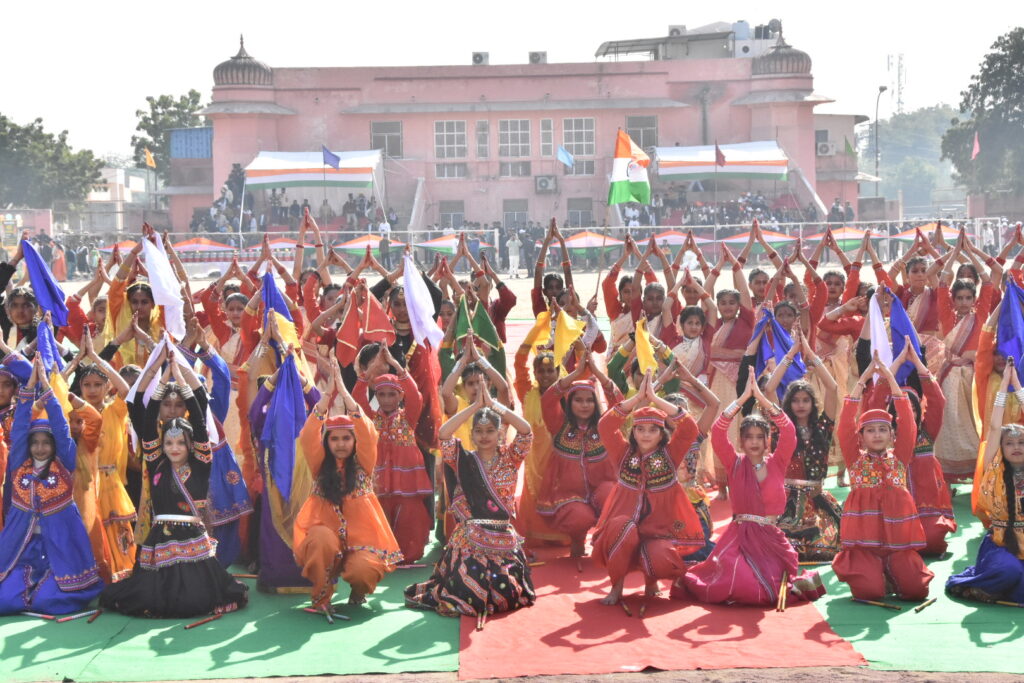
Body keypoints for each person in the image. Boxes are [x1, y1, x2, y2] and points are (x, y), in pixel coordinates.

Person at [100, 346, 248, 617]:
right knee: (147, 598)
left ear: (192, 445)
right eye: (169, 443)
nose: (175, 448)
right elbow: (145, 418)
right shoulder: (156, 461)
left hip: (193, 539)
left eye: (181, 443)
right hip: (159, 539)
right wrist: (160, 375)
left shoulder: (201, 463)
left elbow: (199, 417)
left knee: (192, 601)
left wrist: (179, 374)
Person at [677, 375, 824, 605]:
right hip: (739, 540)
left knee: (766, 589)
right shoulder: (734, 463)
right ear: (741, 441)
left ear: (767, 441)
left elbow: (788, 431)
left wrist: (763, 400)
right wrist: (743, 398)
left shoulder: (777, 462)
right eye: (748, 437)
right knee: (742, 582)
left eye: (759, 437)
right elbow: (718, 432)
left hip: (771, 541)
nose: (754, 442)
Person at [405, 384, 535, 618]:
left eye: (490, 431)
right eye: (479, 431)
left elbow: (526, 431)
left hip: (502, 540)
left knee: (507, 593)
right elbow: (444, 434)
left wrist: (495, 406)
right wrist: (474, 407)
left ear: (500, 433)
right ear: (472, 434)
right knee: (469, 587)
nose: (484, 436)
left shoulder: (510, 459)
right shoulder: (463, 460)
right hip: (470, 538)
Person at [293, 364, 402, 612]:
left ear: (354, 441)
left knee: (363, 570)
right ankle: (321, 599)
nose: (341, 444)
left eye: (346, 438)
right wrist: (327, 395)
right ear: (327, 442)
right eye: (334, 438)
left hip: (362, 539)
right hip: (327, 536)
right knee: (320, 541)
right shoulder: (319, 464)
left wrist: (343, 391)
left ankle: (358, 591)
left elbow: (368, 433)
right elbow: (308, 435)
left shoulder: (364, 463)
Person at [0, 357, 103, 615]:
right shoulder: (19, 464)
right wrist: (28, 389)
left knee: (50, 602)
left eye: (46, 442)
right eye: (35, 443)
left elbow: (60, 426)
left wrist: (47, 388)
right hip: (24, 550)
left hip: (59, 550)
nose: (40, 448)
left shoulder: (63, 462)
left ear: (55, 444)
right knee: (4, 601)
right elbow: (20, 428)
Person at [592, 372, 706, 607]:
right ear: (633, 432)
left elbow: (689, 429)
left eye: (652, 430)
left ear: (662, 434)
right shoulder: (622, 453)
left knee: (663, 559)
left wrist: (655, 398)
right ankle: (616, 586)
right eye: (640, 429)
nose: (645, 435)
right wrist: (636, 400)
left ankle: (651, 581)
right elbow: (605, 426)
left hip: (657, 530)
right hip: (623, 526)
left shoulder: (670, 455)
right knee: (623, 529)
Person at [832, 354, 933, 601]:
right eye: (870, 430)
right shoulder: (855, 461)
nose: (877, 435)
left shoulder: (899, 457)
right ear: (861, 436)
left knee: (917, 590)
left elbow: (908, 422)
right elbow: (845, 425)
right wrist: (863, 379)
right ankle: (876, 575)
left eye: (882, 430)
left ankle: (891, 572)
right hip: (865, 546)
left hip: (898, 545)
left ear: (891, 435)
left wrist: (890, 378)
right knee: (870, 592)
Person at [947, 361, 1024, 603]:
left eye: (1021, 442)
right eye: (1009, 443)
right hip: (1001, 544)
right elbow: (993, 427)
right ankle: (989, 583)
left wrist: (1017, 385)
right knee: (1009, 570)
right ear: (1001, 448)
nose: (1016, 447)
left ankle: (1000, 589)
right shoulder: (994, 467)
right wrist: (1003, 386)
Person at [537, 348, 621, 561]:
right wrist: (575, 374)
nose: (584, 405)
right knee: (579, 517)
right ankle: (577, 539)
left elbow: (619, 404)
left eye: (589, 401)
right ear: (570, 402)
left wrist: (598, 373)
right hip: (569, 494)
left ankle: (604, 538)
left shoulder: (604, 426)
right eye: (578, 400)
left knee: (611, 497)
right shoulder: (559, 424)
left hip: (601, 488)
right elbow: (548, 400)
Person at [352, 348, 432, 564]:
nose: (386, 399)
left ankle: (407, 554)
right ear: (376, 396)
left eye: (392, 394)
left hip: (407, 483)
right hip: (380, 481)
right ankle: (384, 552)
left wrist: (396, 366)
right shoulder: (371, 419)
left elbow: (416, 396)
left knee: (408, 517)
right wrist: (369, 372)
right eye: (381, 394)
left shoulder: (407, 418)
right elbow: (357, 398)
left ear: (400, 396)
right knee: (380, 516)